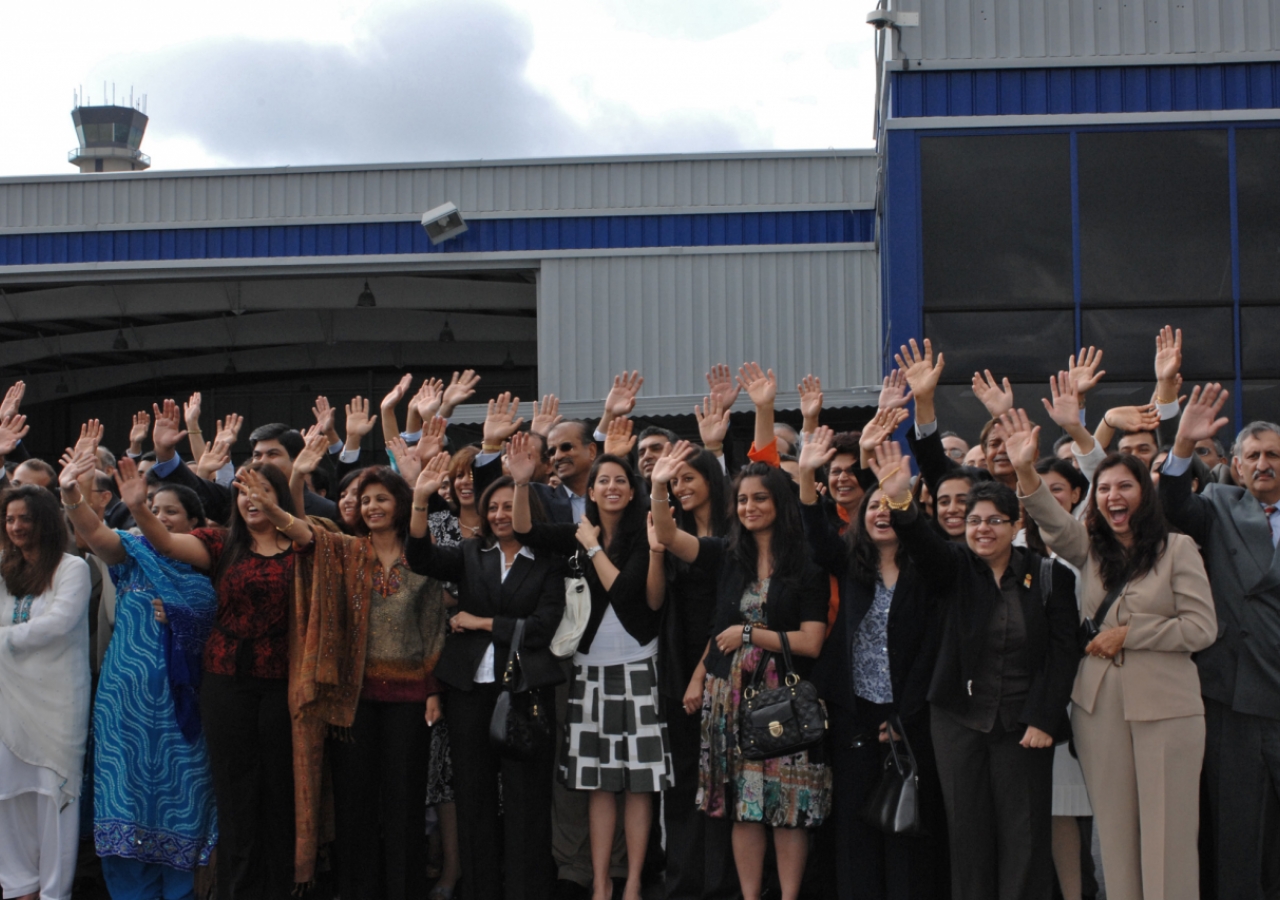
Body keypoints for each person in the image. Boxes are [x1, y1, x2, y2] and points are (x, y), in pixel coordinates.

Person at [1004, 407, 1217, 900]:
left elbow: (1202, 627)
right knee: (1116, 840)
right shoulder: (1089, 548)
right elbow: (1053, 523)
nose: (1113, 497)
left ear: (1144, 495)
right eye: (1103, 489)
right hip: (1099, 709)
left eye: (1124, 487)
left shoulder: (1178, 549)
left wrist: (1131, 632)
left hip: (1168, 709)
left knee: (1169, 839)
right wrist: (1024, 472)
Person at [873, 440, 1080, 900]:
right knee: (967, 835)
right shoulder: (953, 568)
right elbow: (925, 547)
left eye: (993, 521)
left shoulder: (1049, 576)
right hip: (958, 721)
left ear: (1016, 524)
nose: (982, 530)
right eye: (973, 521)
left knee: (1023, 836)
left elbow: (1065, 653)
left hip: (1024, 726)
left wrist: (1045, 718)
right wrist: (902, 503)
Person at [120, 459, 314, 897]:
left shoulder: (304, 545)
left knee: (278, 790)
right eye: (242, 490)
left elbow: (310, 536)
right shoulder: (222, 542)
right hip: (226, 682)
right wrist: (139, 509)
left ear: (279, 497)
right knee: (236, 792)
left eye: (261, 490)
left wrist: (280, 512)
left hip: (284, 684)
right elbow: (168, 544)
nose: (251, 498)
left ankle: (281, 887)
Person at [652, 458, 831, 900]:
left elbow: (811, 642)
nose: (750, 507)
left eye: (760, 498)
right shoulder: (728, 556)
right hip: (728, 697)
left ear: (780, 502)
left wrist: (751, 633)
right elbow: (670, 537)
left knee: (788, 807)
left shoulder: (808, 563)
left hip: (784, 700)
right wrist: (659, 487)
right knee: (744, 807)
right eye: (743, 499)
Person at [511, 435, 670, 900]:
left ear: (632, 489)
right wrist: (522, 485)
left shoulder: (645, 534)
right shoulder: (577, 528)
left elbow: (626, 593)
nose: (612, 487)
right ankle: (600, 883)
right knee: (599, 785)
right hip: (587, 670)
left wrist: (594, 549)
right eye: (603, 480)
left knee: (639, 786)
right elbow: (525, 531)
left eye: (621, 480)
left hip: (640, 666)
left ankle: (635, 881)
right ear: (593, 491)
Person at [407, 454, 568, 900]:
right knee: (474, 800)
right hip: (468, 692)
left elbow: (541, 627)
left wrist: (479, 623)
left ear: (527, 510)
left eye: (507, 505)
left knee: (526, 801)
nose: (498, 515)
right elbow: (419, 557)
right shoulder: (469, 554)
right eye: (491, 507)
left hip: (524, 691)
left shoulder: (548, 560)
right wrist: (420, 499)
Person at [60, 450, 219, 898]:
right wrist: (70, 491)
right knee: (122, 800)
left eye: (172, 511)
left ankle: (182, 890)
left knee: (185, 799)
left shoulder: (209, 563)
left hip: (184, 708)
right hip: (123, 707)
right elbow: (93, 533)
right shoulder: (132, 555)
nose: (162, 518)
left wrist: (183, 618)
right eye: (156, 508)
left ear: (195, 521)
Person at [799, 427, 945, 900]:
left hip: (911, 717)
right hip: (854, 716)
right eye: (875, 506)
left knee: (907, 827)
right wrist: (805, 473)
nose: (882, 511)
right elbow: (816, 534)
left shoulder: (927, 568)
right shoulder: (849, 561)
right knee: (854, 831)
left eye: (891, 505)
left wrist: (903, 717)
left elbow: (928, 647)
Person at [1159, 384, 1280, 900]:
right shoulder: (1220, 504)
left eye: (1274, 455)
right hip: (1235, 694)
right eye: (1252, 455)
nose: (1263, 464)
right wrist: (1182, 443)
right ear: (1235, 464)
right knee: (1237, 833)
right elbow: (1171, 507)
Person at [647, 443, 739, 900]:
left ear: (711, 481)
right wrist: (658, 486)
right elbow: (657, 592)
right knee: (681, 784)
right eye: (674, 481)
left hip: (722, 669)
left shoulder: (735, 537)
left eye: (688, 479)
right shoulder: (674, 532)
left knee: (721, 783)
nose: (681, 487)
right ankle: (682, 884)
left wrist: (701, 677)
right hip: (678, 664)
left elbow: (728, 614)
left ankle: (722, 885)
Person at [0, 485, 92, 900]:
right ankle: (20, 887)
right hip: (8, 698)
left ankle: (54, 892)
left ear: (46, 522)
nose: (16, 526)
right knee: (8, 794)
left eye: (25, 518)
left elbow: (59, 623)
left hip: (57, 700)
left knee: (54, 795)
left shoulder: (72, 567)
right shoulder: (6, 567)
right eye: (9, 519)